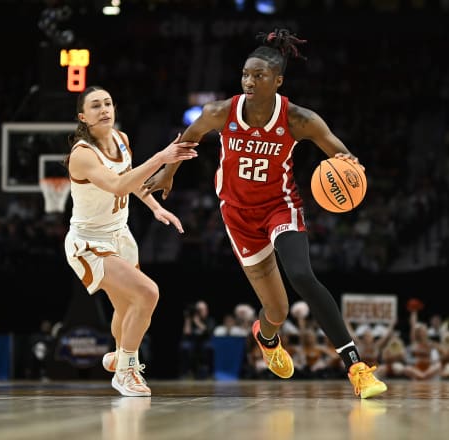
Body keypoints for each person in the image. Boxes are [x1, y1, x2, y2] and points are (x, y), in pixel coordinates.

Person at [142, 29, 386, 398]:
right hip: (238, 215)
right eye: (245, 74)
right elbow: (188, 138)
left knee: (302, 274)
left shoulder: (299, 119)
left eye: (258, 75)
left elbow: (337, 150)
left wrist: (349, 165)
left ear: (278, 80)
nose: (249, 81)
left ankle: (355, 365)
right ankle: (267, 339)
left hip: (279, 207)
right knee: (277, 309)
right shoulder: (221, 112)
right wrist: (168, 172)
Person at [63, 85, 198, 396]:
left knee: (126, 308)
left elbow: (133, 179)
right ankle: (125, 370)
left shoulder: (121, 140)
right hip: (89, 244)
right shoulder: (82, 155)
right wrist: (163, 157)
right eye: (95, 106)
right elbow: (119, 185)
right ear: (83, 117)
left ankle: (119, 353)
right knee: (148, 293)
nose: (104, 109)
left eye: (108, 103)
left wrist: (155, 207)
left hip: (120, 235)